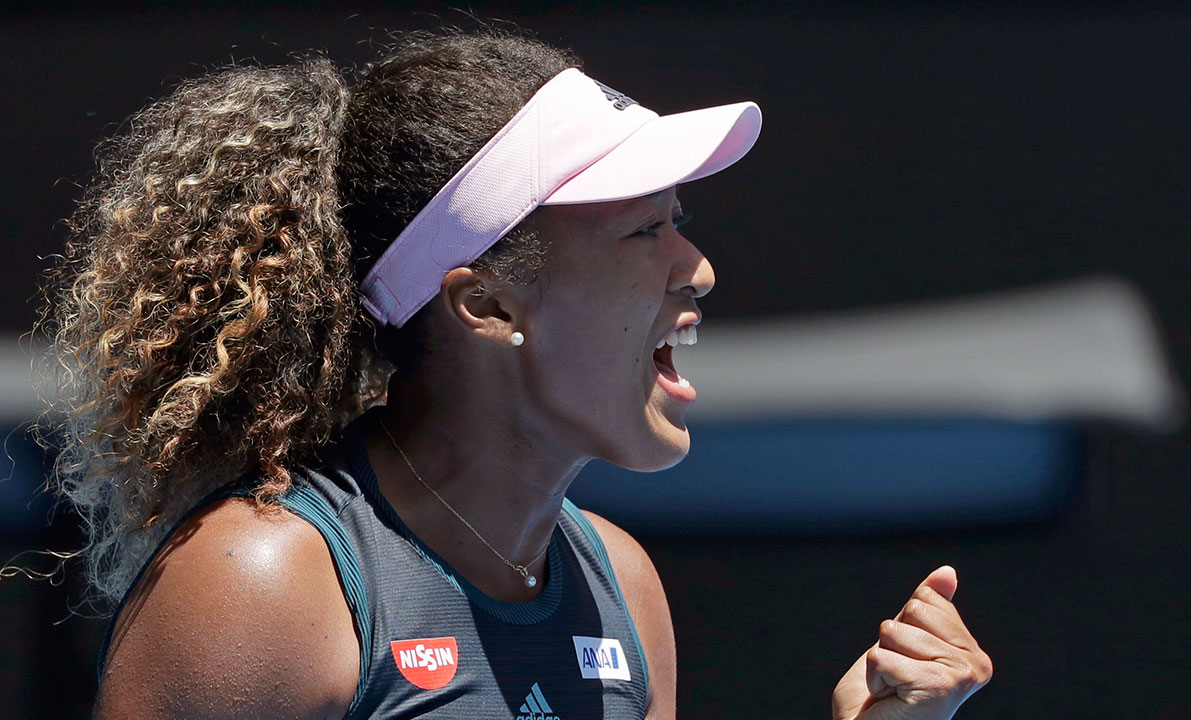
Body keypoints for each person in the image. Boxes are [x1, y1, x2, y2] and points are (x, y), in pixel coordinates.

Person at [47, 28, 991, 720]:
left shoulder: (625, 585)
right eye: (643, 230)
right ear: (489, 306)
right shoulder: (261, 584)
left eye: (680, 220)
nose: (696, 267)